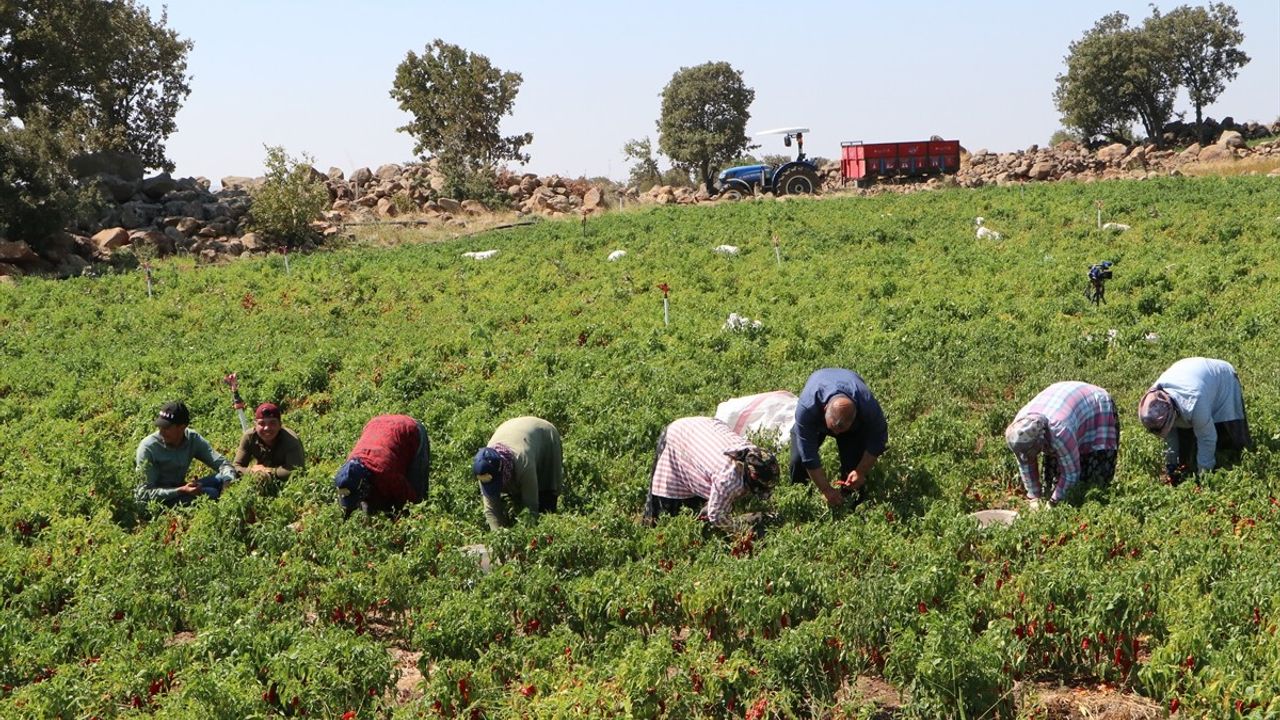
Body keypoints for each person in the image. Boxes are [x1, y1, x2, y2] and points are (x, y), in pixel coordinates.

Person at [642, 417, 780, 527]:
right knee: (666, 512)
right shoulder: (728, 478)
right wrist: (738, 527)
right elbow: (717, 517)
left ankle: (700, 513)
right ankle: (650, 528)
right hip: (678, 437)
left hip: (701, 429)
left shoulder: (752, 453)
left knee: (704, 486)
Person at [1005, 382, 1119, 508]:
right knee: (1056, 480)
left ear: (1040, 440)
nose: (1026, 455)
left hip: (1096, 404)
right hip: (1063, 402)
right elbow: (1024, 461)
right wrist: (1034, 497)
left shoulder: (1059, 431)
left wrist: (1053, 502)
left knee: (1093, 480)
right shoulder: (1018, 431)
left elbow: (1071, 473)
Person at [1139, 357, 1253, 481]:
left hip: (1222, 378)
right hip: (1191, 375)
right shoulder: (1153, 402)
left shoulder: (1195, 402)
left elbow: (1207, 438)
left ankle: (1235, 459)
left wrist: (1204, 475)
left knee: (1229, 436)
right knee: (1186, 450)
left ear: (1173, 413)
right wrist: (1171, 464)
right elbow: (1169, 436)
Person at [791, 368, 889, 507]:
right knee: (798, 461)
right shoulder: (807, 408)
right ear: (825, 410)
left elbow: (879, 438)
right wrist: (826, 489)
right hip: (817, 415)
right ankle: (801, 504)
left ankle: (851, 506)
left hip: (852, 424)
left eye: (841, 429)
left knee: (853, 470)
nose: (836, 434)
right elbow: (808, 455)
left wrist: (860, 471)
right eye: (833, 428)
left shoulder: (866, 403)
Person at [135, 401, 236, 506]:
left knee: (224, 478)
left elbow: (223, 464)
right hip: (160, 500)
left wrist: (227, 486)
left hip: (182, 488)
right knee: (212, 493)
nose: (161, 432)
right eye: (160, 427)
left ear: (182, 427)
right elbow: (143, 494)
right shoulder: (148, 448)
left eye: (166, 428)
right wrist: (181, 490)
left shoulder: (192, 439)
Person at [472, 416, 564, 531]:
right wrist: (499, 537)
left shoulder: (523, 462)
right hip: (514, 431)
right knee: (515, 499)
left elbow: (531, 507)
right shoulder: (484, 468)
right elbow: (491, 510)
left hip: (545, 435)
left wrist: (527, 538)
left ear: (503, 471)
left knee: (546, 499)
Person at [333, 414, 430, 515]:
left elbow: (410, 500)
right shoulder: (348, 471)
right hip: (376, 425)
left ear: (364, 486)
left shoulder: (386, 474)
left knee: (418, 497)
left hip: (409, 429)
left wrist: (413, 514)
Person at [232, 402, 305, 484]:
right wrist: (252, 471)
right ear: (255, 425)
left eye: (272, 423)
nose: (267, 428)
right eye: (261, 424)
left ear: (280, 425)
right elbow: (236, 467)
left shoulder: (291, 440)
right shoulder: (249, 437)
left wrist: (270, 472)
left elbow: (296, 470)